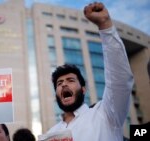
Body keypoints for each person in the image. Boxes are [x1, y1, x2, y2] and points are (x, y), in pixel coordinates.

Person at [47, 2, 134, 141]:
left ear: (83, 89)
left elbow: (120, 79)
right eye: (59, 83)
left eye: (70, 80)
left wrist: (105, 25)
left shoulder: (105, 114)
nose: (63, 85)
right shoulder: (51, 133)